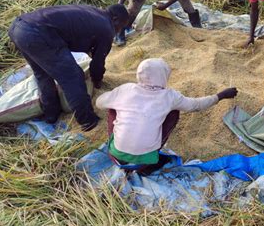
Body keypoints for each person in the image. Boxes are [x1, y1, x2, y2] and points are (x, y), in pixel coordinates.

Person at [96, 58, 238, 175]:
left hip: (115, 156)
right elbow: (196, 105)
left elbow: (99, 102)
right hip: (145, 161)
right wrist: (221, 95)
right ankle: (148, 160)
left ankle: (121, 147)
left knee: (113, 107)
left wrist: (116, 98)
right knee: (173, 112)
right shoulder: (170, 96)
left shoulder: (126, 89)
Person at [8, 4, 129, 131]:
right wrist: (97, 80)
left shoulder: (94, 12)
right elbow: (97, 64)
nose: (118, 32)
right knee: (73, 76)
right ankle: (87, 120)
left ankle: (51, 113)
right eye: (120, 27)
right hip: (38, 33)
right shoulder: (107, 28)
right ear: (115, 19)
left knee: (42, 73)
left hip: (19, 27)